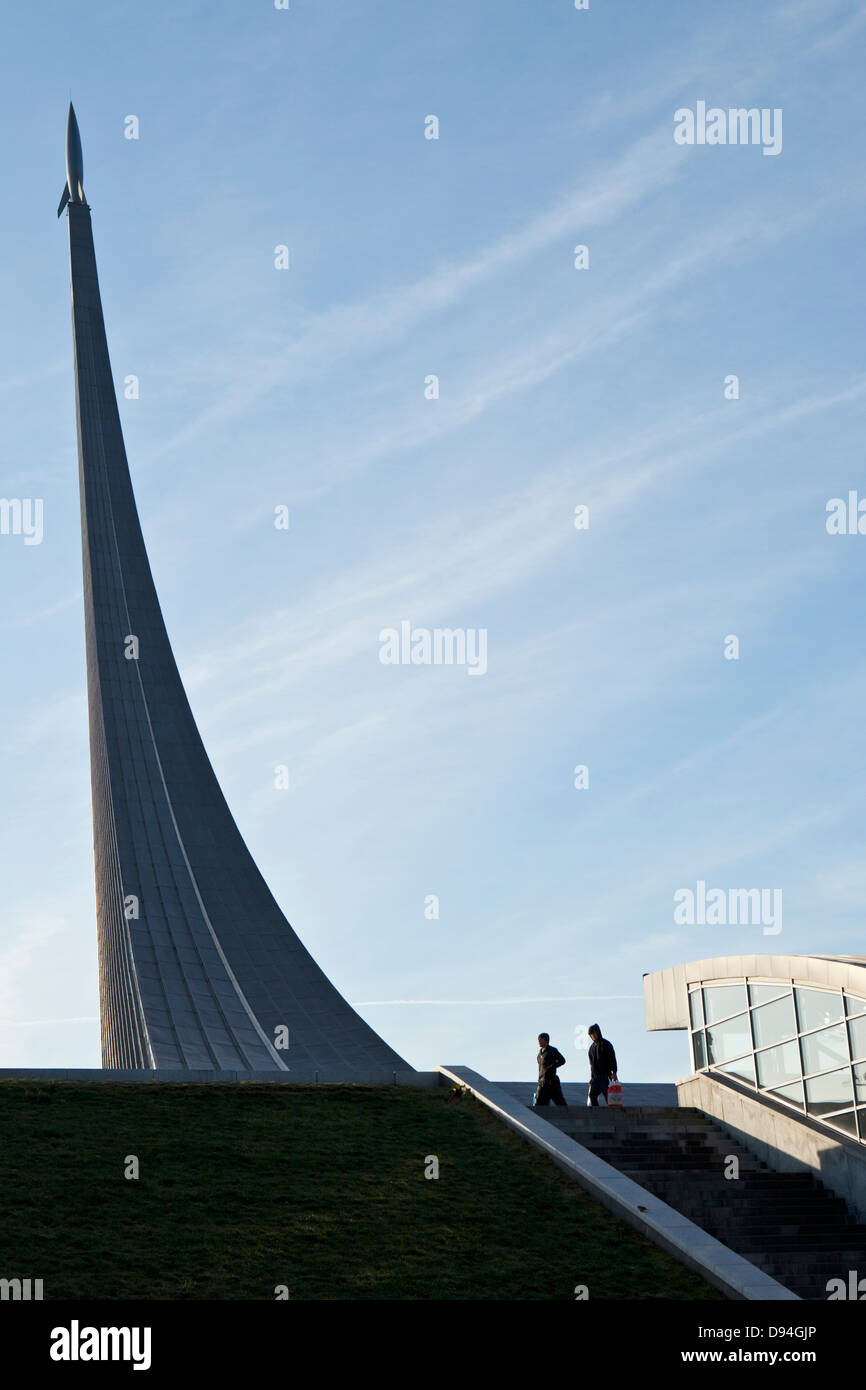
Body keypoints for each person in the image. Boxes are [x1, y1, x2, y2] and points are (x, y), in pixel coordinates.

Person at [587, 1024, 617, 1106]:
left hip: (605, 1076)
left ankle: (613, 1112)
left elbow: (612, 1058)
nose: (592, 1035)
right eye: (591, 1034)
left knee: (608, 1095)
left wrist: (614, 1072)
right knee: (592, 1095)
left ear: (597, 1032)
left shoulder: (606, 1044)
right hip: (596, 1078)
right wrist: (592, 1078)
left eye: (593, 1033)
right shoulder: (591, 1048)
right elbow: (591, 1065)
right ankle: (596, 1113)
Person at [535, 1032, 567, 1107]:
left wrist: (552, 1067)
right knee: (539, 1104)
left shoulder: (552, 1050)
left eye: (541, 1040)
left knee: (560, 1102)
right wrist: (539, 1079)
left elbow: (562, 1060)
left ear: (546, 1040)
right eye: (538, 1040)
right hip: (542, 1082)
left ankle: (569, 1116)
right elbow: (540, 1069)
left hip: (551, 1081)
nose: (539, 1041)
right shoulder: (539, 1055)